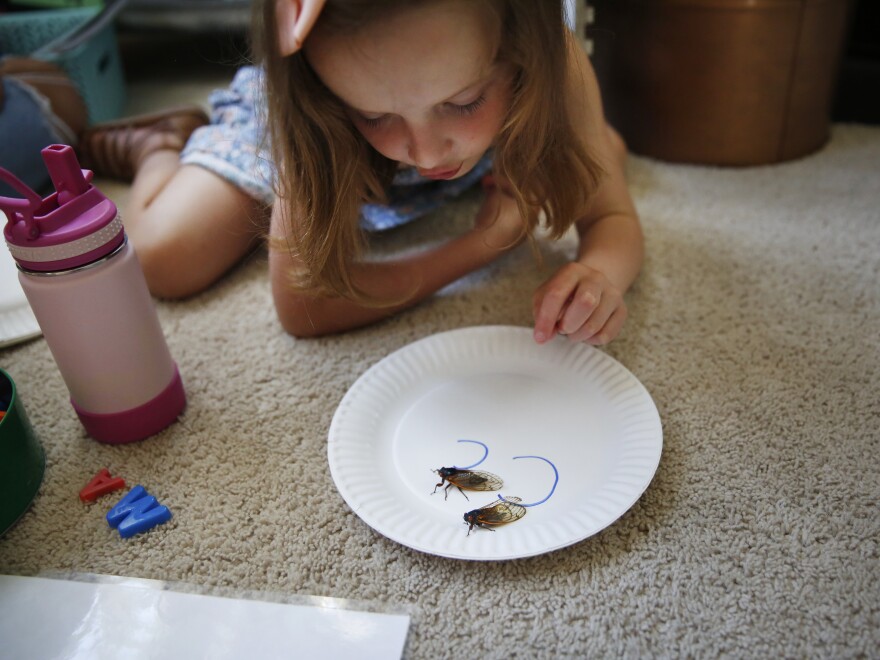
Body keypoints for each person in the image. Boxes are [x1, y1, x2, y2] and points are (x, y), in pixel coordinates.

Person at [79, 0, 643, 345]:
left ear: (524, 53)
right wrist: (486, 243)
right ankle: (158, 145)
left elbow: (611, 218)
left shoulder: (552, 66)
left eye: (464, 101)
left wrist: (601, 273)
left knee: (590, 157)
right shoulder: (311, 108)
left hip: (500, 130)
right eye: (376, 116)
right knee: (163, 260)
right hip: (300, 137)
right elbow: (305, 309)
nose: (422, 153)